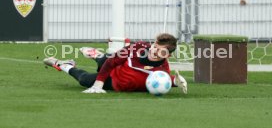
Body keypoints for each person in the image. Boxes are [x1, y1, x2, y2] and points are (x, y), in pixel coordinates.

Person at [43, 33, 187, 94]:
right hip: (114, 74)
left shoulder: (163, 67)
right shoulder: (137, 48)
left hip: (119, 85)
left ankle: (70, 63)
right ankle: (68, 64)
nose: (156, 53)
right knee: (102, 65)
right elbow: (112, 62)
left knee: (87, 76)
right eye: (156, 48)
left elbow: (164, 80)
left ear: (168, 55)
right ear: (154, 43)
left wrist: (176, 82)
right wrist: (98, 84)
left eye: (161, 53)